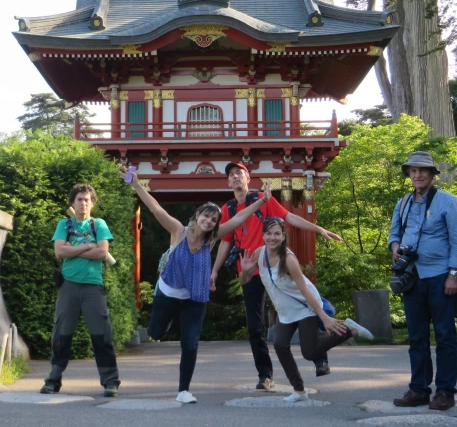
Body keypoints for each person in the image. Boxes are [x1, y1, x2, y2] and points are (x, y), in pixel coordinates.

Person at [122, 166, 273, 404]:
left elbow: (239, 218)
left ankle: (183, 390)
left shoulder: (212, 240)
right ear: (197, 215)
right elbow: (154, 207)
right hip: (168, 294)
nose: (210, 221)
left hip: (195, 298)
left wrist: (262, 200)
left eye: (214, 219)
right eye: (206, 216)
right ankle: (169, 319)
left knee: (190, 344)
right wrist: (136, 185)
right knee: (156, 333)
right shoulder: (178, 231)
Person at [211, 162, 343, 388]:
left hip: (274, 266)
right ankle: (265, 376)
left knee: (305, 304)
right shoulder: (227, 209)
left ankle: (320, 357)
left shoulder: (263, 199)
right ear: (228, 181)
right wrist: (214, 271)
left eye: (238, 173)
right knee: (255, 326)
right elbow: (225, 241)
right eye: (230, 175)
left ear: (247, 177)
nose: (234, 177)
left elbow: (289, 218)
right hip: (250, 270)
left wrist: (318, 229)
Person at [239, 217, 374, 402]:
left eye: (277, 233)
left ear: (283, 235)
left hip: (306, 306)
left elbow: (305, 289)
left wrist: (324, 317)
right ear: (263, 235)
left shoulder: (289, 260)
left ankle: (349, 330)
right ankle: (299, 391)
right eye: (269, 233)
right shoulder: (259, 254)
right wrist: (246, 271)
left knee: (309, 352)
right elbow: (244, 281)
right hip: (286, 311)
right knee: (279, 345)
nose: (272, 237)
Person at [388, 151, 457, 411]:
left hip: (441, 277)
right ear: (409, 175)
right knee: (416, 337)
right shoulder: (404, 203)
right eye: (413, 171)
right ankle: (419, 390)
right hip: (412, 277)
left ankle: (445, 392)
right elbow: (394, 232)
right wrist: (396, 247)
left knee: (445, 336)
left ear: (432, 174)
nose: (417, 175)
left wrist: (454, 274)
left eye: (422, 170)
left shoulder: (447, 202)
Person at [40, 183, 120, 397]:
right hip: (69, 286)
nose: (83, 203)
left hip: (93, 287)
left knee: (102, 335)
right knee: (61, 334)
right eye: (79, 199)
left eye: (87, 199)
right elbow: (59, 252)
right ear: (72, 203)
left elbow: (103, 253)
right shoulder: (64, 225)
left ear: (92, 203)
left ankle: (110, 381)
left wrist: (72, 250)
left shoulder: (99, 224)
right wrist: (87, 246)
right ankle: (53, 380)